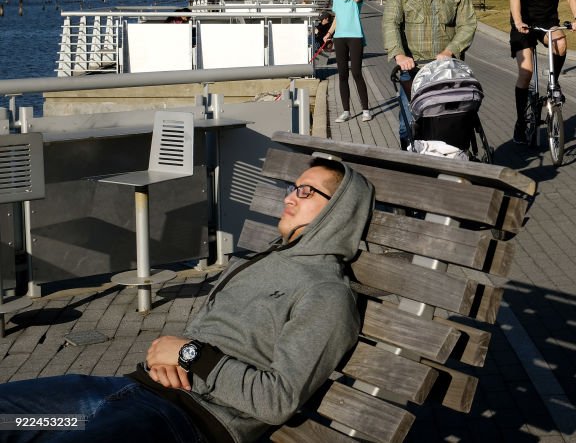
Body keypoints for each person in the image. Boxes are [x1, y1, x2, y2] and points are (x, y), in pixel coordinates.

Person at [0, 159, 373, 443]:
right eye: (293, 187)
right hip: (117, 392)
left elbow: (277, 399)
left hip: (178, 421)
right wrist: (170, 353)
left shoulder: (327, 294)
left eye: (306, 192)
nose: (290, 196)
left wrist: (188, 355)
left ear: (338, 211)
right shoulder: (264, 261)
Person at [381, 0, 477, 145]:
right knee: (409, 126)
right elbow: (391, 21)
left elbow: (468, 23)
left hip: (446, 68)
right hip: (413, 68)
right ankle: (411, 162)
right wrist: (399, 55)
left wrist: (450, 50)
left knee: (451, 122)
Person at [508, 0, 576, 144]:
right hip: (523, 22)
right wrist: (518, 21)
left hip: (547, 21)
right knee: (526, 72)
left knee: (560, 43)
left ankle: (554, 82)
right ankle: (521, 122)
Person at [326, 0, 371, 122]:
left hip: (355, 37)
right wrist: (329, 33)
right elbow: (337, 18)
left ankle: (366, 110)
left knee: (357, 72)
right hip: (339, 38)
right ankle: (346, 111)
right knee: (342, 74)